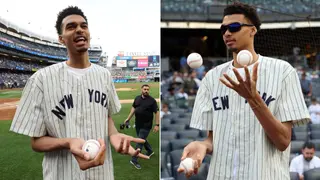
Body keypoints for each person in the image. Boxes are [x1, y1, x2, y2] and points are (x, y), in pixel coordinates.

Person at [9, 6, 148, 180]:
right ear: (61, 39)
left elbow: (106, 116)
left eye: (84, 25)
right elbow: (36, 142)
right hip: (61, 174)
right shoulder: (41, 79)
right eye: (71, 26)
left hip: (102, 174)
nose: (79, 30)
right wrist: (67, 142)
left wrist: (114, 135)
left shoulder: (104, 75)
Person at [178, 2, 310, 180]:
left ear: (253, 30)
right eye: (223, 28)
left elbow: (283, 141)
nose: (227, 33)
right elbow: (213, 139)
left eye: (234, 27)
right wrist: (203, 145)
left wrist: (254, 99)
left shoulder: (283, 72)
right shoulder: (212, 78)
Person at [124, 84, 159, 169]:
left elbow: (157, 113)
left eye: (147, 89)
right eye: (145, 89)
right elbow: (133, 108)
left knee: (139, 142)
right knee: (142, 139)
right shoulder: (137, 98)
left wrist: (157, 125)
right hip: (138, 123)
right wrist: (128, 118)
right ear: (141, 89)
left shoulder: (152, 101)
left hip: (146, 125)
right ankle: (150, 150)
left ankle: (134, 159)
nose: (146, 91)